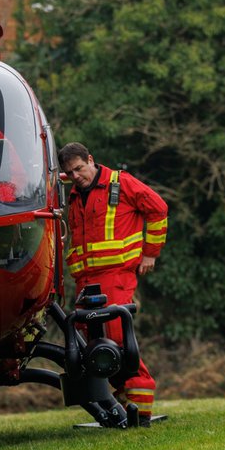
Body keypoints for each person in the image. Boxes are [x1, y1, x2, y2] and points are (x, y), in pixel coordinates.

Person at [58, 142, 168, 426]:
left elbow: (158, 209)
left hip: (115, 276)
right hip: (85, 280)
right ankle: (123, 405)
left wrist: (150, 253)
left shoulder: (121, 183)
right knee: (91, 345)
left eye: (80, 168)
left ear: (91, 160)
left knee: (116, 340)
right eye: (70, 172)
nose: (76, 175)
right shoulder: (73, 195)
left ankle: (141, 409)